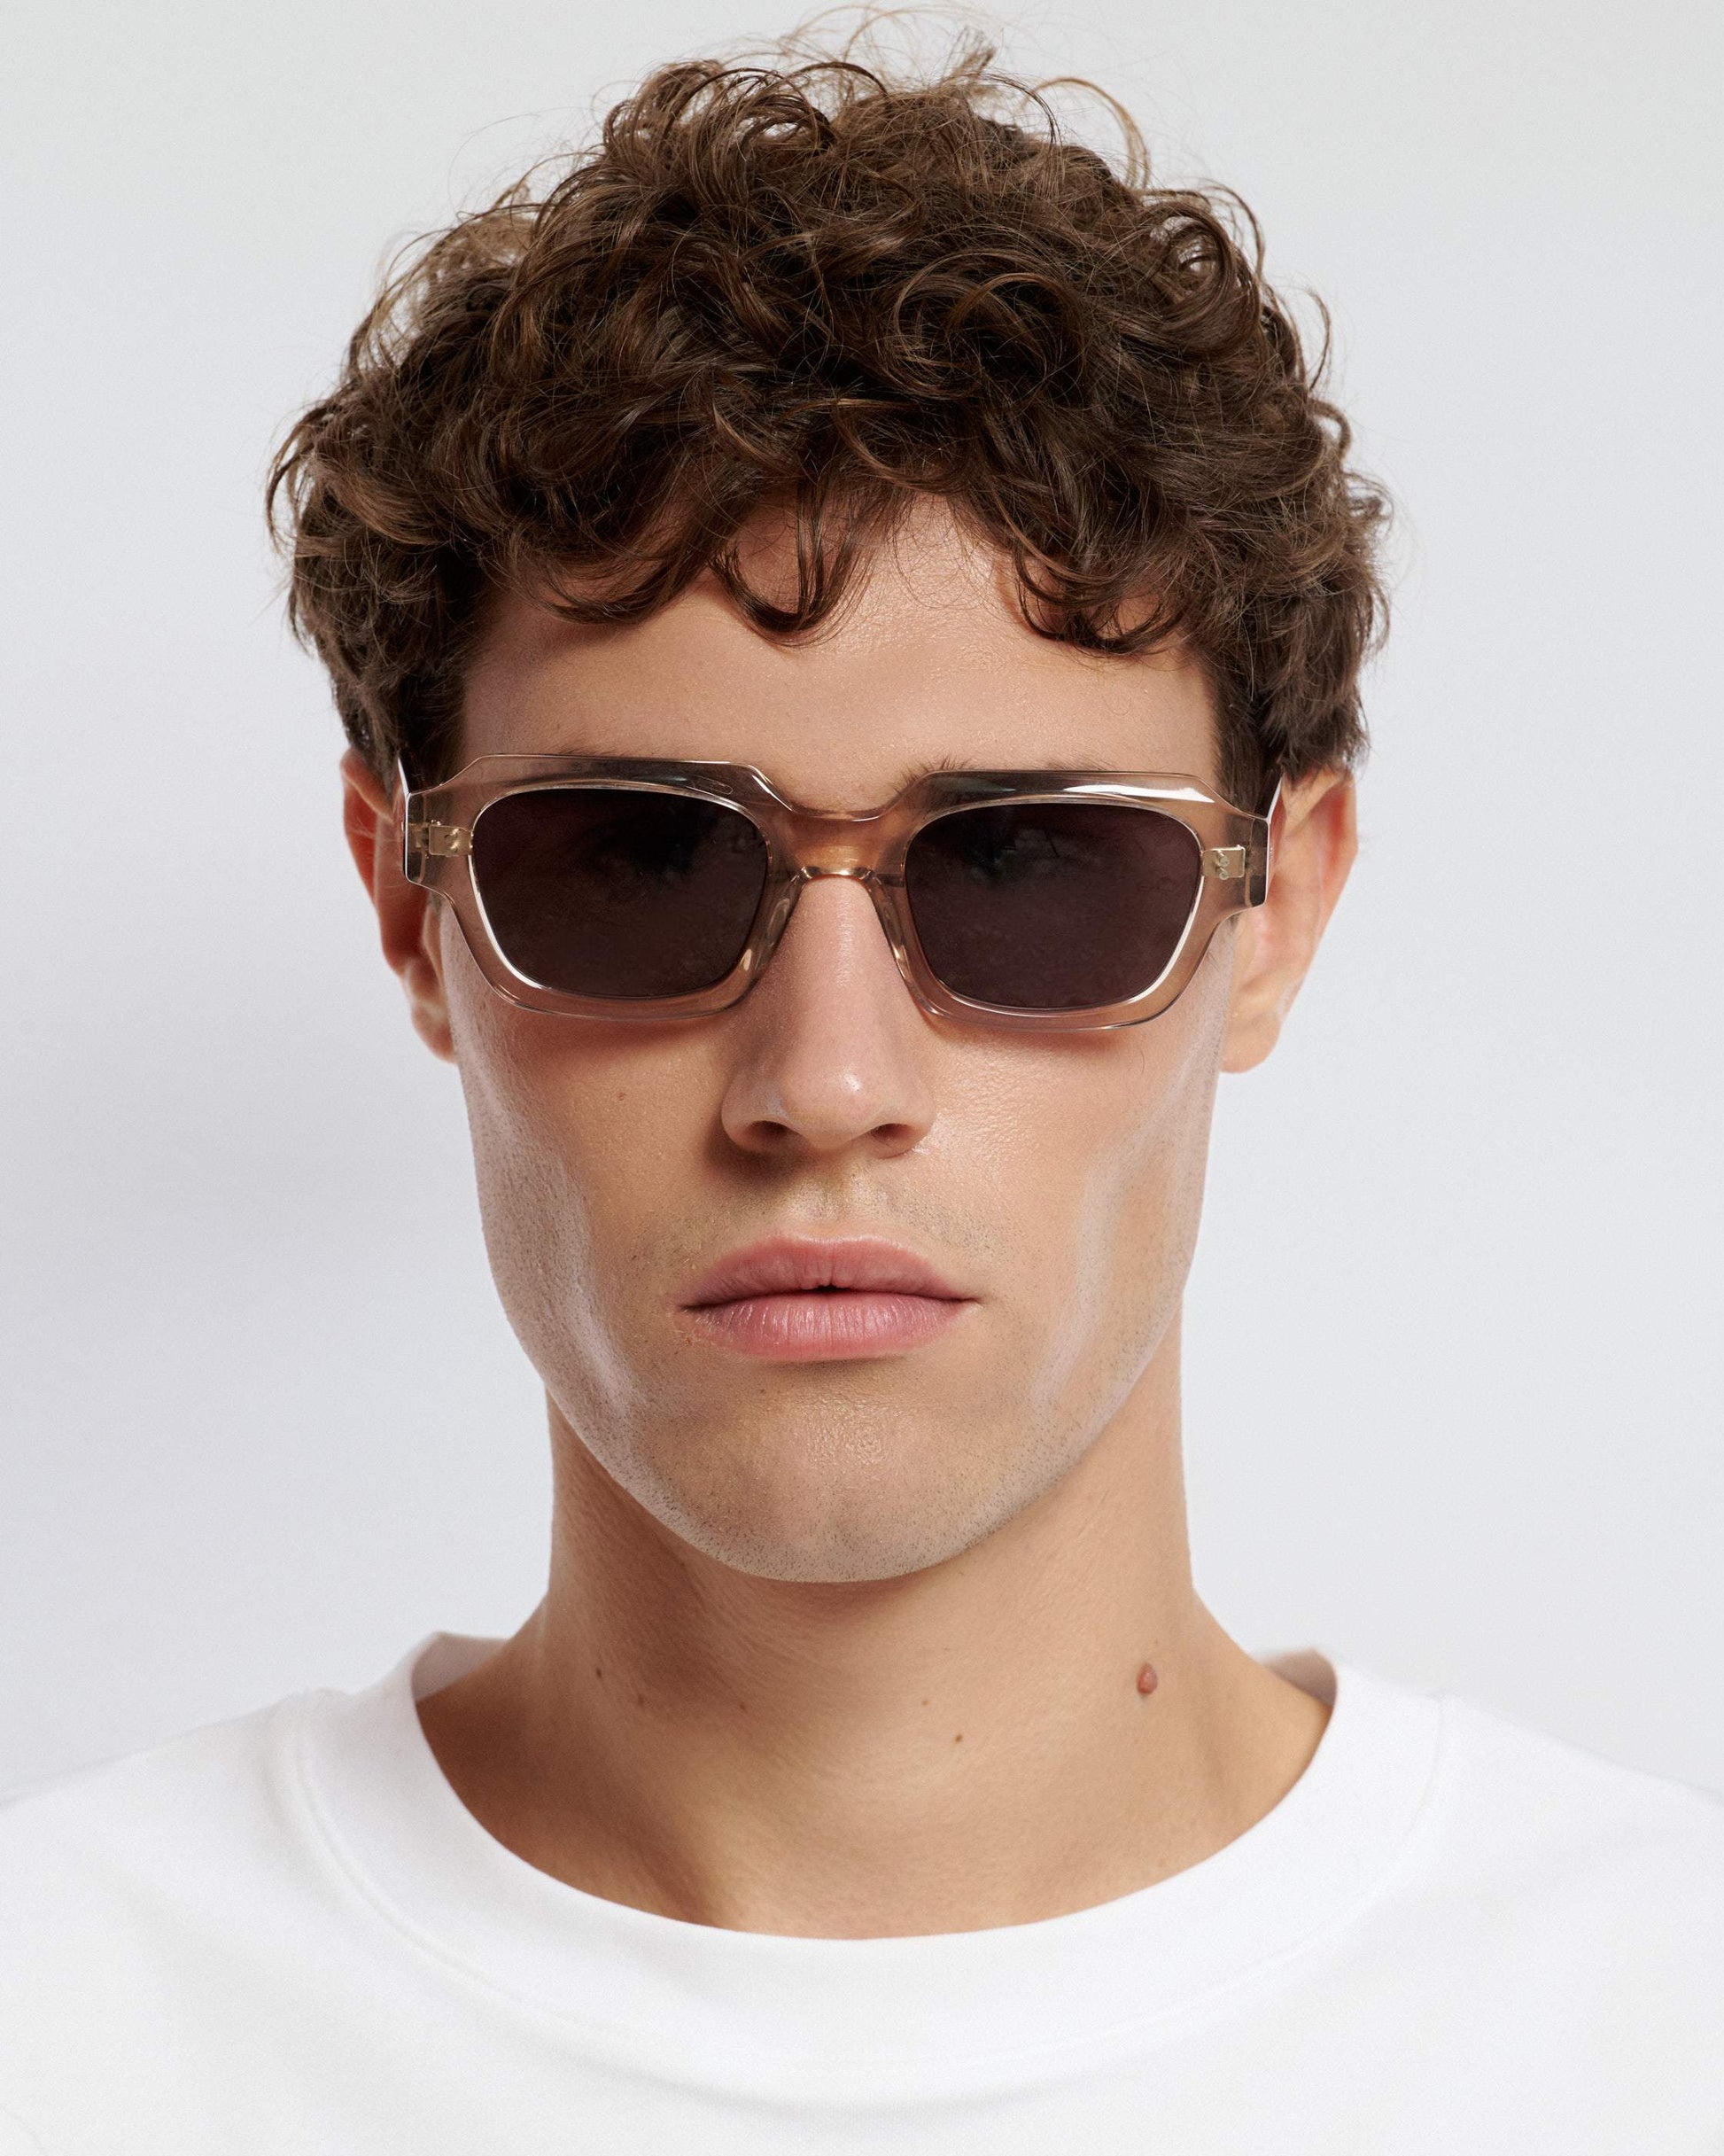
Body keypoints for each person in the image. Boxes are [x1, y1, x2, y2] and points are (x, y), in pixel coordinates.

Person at [2, 33, 1720, 2155]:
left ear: (1275, 911)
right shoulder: (58, 2017)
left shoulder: (1658, 2030)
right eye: (634, 864)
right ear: (408, 905)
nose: (824, 1081)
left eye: (1030, 870)